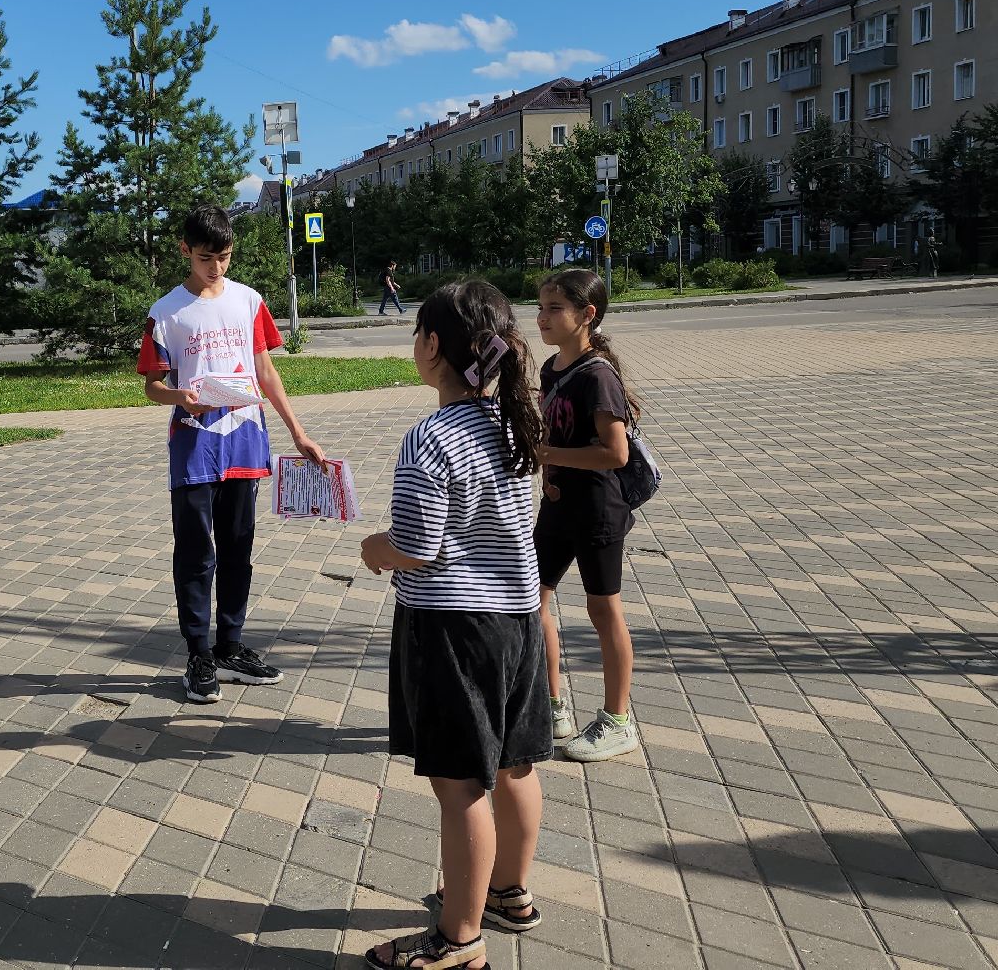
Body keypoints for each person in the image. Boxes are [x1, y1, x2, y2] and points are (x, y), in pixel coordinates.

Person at [361, 280, 549, 970]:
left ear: (432, 346)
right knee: (516, 763)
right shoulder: (511, 420)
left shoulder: (431, 436)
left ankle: (458, 939)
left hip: (451, 629)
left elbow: (417, 543)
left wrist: (372, 549)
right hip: (517, 620)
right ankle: (507, 892)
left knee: (460, 786)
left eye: (416, 334)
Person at [139, 205, 325, 704]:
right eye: (205, 258)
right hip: (194, 445)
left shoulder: (249, 301)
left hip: (244, 438)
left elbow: (266, 374)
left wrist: (298, 432)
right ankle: (198, 652)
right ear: (185, 251)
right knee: (197, 553)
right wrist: (180, 397)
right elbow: (152, 386)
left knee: (239, 549)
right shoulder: (167, 312)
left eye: (223, 257)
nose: (216, 268)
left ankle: (231, 645)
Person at [532, 269, 642, 763]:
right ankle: (553, 706)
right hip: (558, 504)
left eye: (555, 309)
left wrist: (547, 453)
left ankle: (618, 721)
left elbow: (614, 454)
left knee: (603, 611)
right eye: (540, 307)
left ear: (587, 315)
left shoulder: (598, 375)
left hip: (598, 509)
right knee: (531, 601)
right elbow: (555, 437)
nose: (542, 318)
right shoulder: (551, 369)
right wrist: (547, 471)